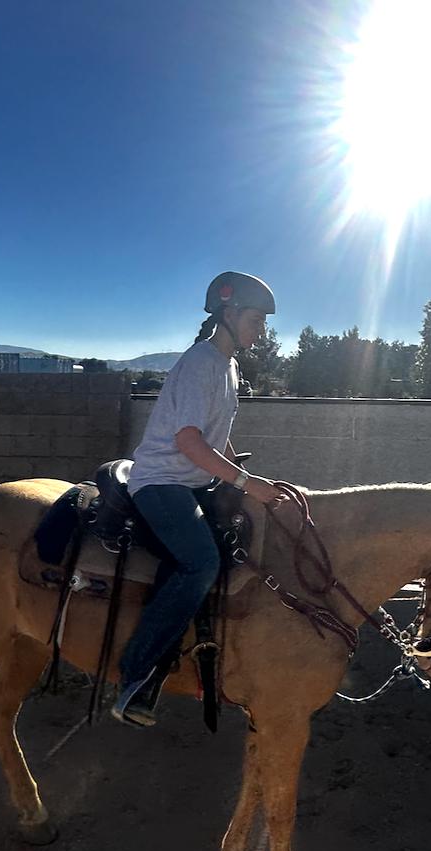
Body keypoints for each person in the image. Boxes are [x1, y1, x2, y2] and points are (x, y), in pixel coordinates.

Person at [112, 271, 286, 726]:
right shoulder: (200, 363)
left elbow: (215, 438)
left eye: (263, 322)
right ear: (228, 315)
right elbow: (189, 442)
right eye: (255, 320)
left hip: (192, 482)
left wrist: (248, 478)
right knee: (201, 563)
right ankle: (134, 676)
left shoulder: (228, 367)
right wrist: (246, 484)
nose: (262, 330)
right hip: (161, 482)